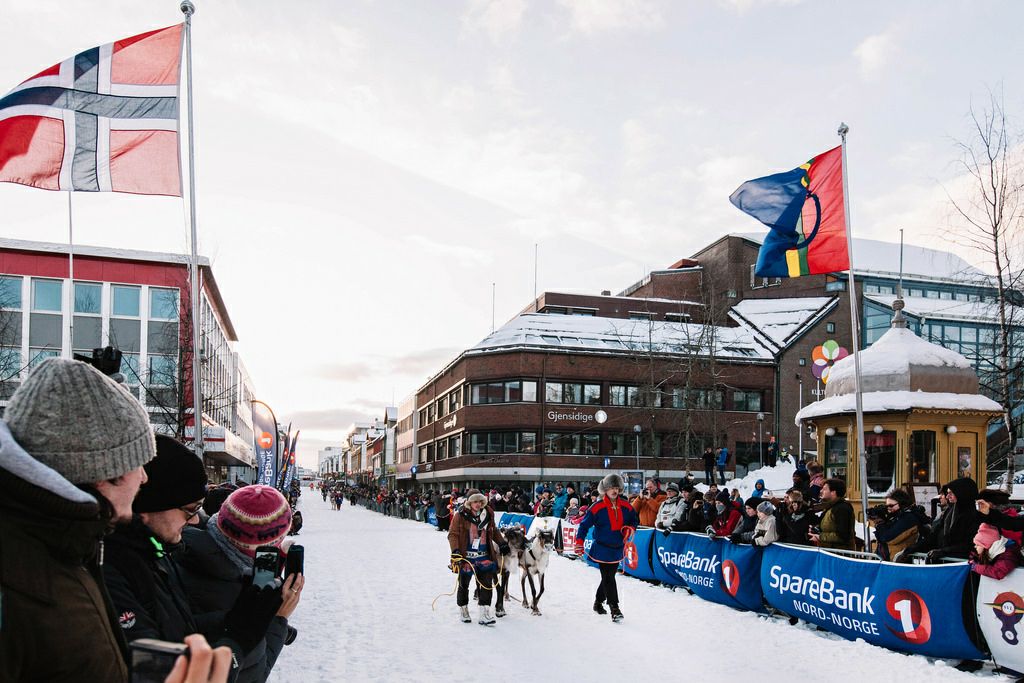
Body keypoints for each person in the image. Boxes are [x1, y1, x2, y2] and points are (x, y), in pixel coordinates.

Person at [0, 358, 156, 682]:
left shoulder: (70, 543)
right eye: (137, 463)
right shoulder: (19, 578)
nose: (143, 478)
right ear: (104, 474)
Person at [178, 485, 303, 683]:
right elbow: (254, 674)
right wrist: (278, 619)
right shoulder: (234, 596)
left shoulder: (183, 545)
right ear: (269, 546)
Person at [574, 473, 638, 622]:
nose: (614, 491)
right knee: (608, 577)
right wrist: (579, 542)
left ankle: (598, 602)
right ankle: (614, 608)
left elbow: (634, 519)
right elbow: (584, 525)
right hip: (602, 547)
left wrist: (630, 528)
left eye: (617, 487)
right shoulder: (597, 506)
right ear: (605, 489)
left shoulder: (626, 506)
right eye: (611, 488)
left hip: (617, 547)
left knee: (608, 577)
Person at [449, 491, 509, 625]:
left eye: (480, 501)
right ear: (469, 502)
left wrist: (502, 543)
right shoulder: (460, 515)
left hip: (484, 557)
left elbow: (493, 530)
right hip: (466, 557)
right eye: (475, 501)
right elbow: (452, 534)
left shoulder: (488, 514)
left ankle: (484, 614)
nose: (478, 504)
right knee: (464, 585)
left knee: (487, 585)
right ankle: (464, 610)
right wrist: (455, 551)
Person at [905, 477, 980, 562]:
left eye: (951, 493)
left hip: (959, 566)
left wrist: (944, 551)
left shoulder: (974, 516)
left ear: (961, 493)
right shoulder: (949, 511)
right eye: (947, 493)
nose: (947, 496)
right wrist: (913, 548)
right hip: (942, 562)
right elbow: (934, 536)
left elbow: (968, 544)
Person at [871, 489, 926, 561]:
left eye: (891, 505)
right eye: (886, 506)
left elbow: (888, 538)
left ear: (902, 504)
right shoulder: (895, 516)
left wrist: (879, 522)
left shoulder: (909, 518)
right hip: (888, 560)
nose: (888, 509)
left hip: (899, 563)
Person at [809, 479, 855, 550]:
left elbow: (842, 535)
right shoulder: (830, 506)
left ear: (833, 492)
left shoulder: (842, 509)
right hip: (830, 551)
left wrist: (820, 537)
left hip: (839, 554)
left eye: (824, 489)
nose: (821, 491)